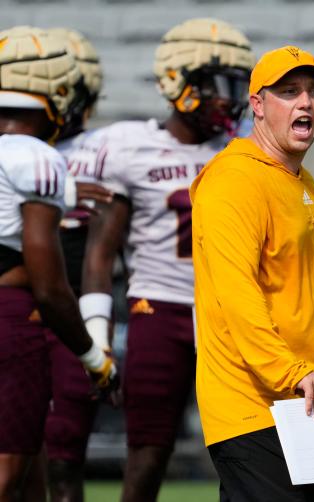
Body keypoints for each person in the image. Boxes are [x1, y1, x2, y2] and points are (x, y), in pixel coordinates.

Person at [81, 18, 255, 502]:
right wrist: (98, 335)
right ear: (176, 82)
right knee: (149, 451)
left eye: (238, 85)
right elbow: (100, 251)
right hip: (158, 307)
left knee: (245, 447)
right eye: (218, 85)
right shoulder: (129, 145)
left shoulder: (247, 148)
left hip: (230, 313)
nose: (230, 97)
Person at [190, 45, 314, 502]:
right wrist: (293, 371)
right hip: (252, 406)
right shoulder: (233, 179)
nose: (305, 103)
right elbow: (238, 296)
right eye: (289, 92)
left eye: (313, 92)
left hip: (306, 404)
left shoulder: (300, 178)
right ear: (257, 105)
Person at [0, 25, 118, 501]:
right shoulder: (36, 156)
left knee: (30, 478)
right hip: (11, 320)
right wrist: (94, 358)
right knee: (8, 475)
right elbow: (49, 285)